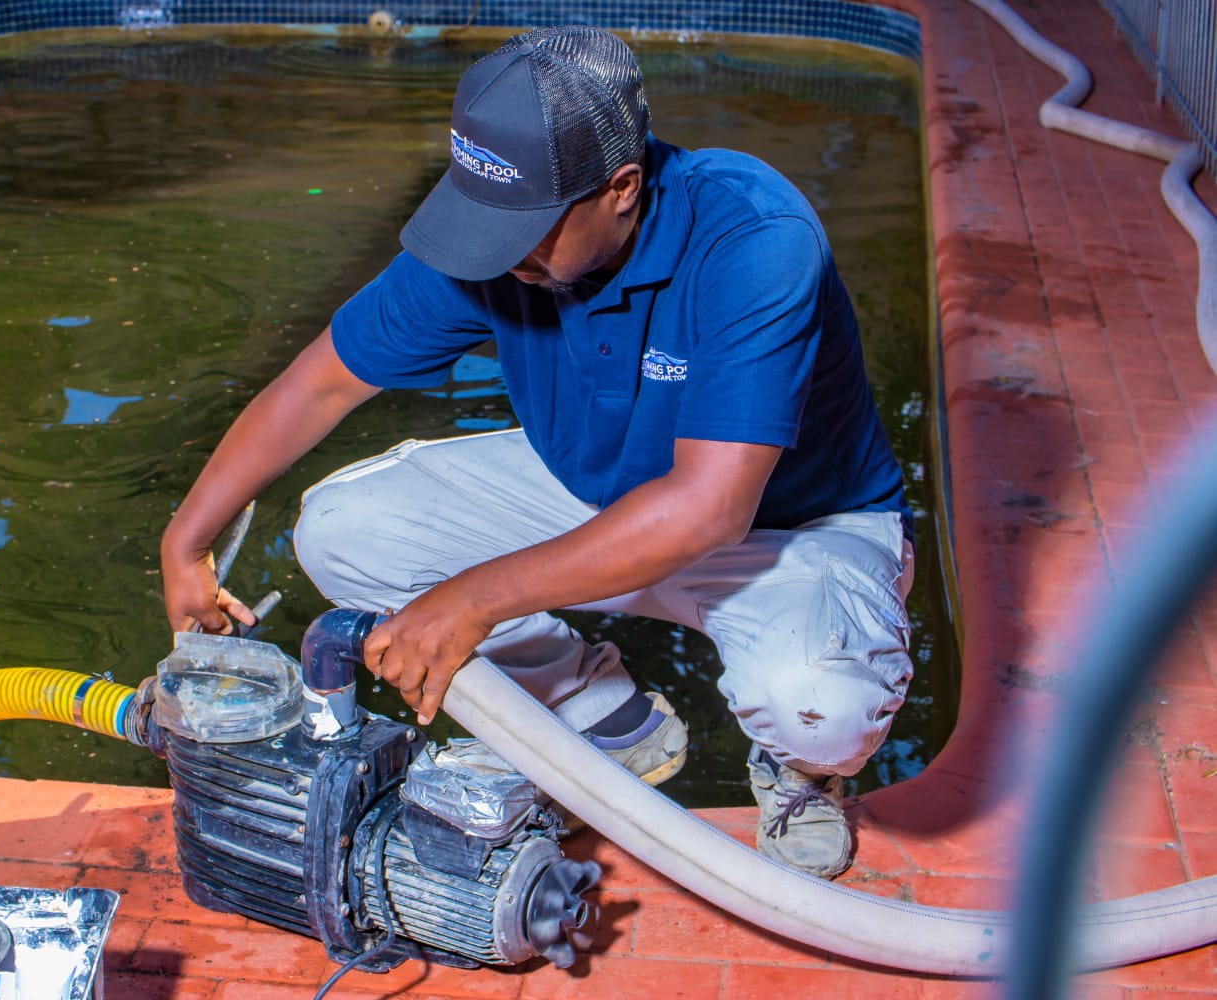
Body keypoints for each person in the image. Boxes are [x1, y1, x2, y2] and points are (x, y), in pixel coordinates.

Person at [160, 25, 915, 880]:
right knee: (342, 529)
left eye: (524, 227)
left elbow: (711, 507)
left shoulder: (754, 238)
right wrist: (185, 540)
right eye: (481, 220)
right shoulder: (495, 248)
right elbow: (320, 385)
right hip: (602, 494)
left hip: (788, 528)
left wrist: (473, 601)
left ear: (622, 188)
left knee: (822, 706)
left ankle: (802, 773)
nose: (497, 253)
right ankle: (599, 714)